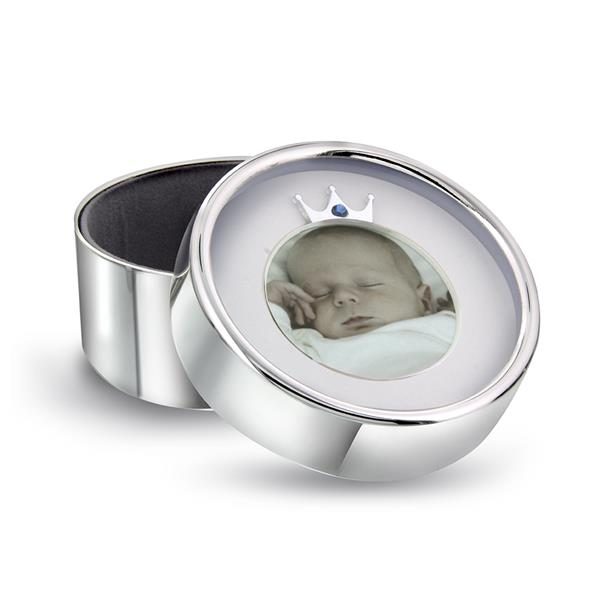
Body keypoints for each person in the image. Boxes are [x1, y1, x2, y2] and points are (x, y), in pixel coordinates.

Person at [266, 225, 456, 379]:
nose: (342, 296)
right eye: (320, 294)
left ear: (424, 300)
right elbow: (272, 356)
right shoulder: (313, 347)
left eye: (368, 284)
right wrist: (273, 306)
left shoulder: (447, 325)